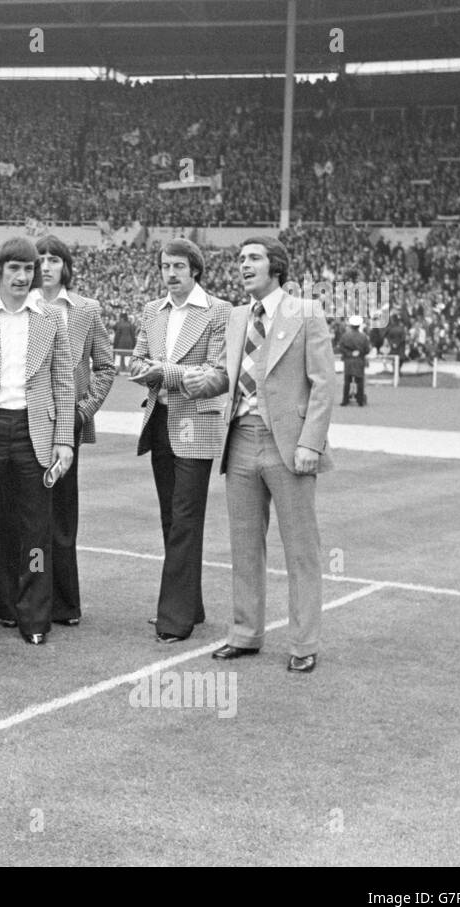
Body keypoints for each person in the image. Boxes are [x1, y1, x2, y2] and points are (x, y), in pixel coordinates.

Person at [183, 236, 334, 674]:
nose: (243, 265)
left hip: (288, 445)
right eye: (240, 258)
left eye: (253, 258)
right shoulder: (235, 317)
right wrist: (196, 382)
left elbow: (323, 384)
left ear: (276, 266)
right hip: (240, 440)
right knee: (244, 545)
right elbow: (227, 376)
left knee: (300, 548)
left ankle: (304, 643)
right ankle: (246, 634)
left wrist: (311, 442)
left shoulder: (306, 313)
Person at [0, 238, 75, 646]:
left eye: (29, 270)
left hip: (33, 432)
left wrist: (64, 442)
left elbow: (63, 381)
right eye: (15, 270)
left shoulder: (51, 319)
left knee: (35, 533)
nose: (23, 277)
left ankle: (34, 619)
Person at [0, 235, 114, 627]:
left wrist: (81, 412)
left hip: (64, 426)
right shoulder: (16, 306)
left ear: (66, 266)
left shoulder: (84, 309)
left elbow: (106, 365)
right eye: (39, 260)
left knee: (60, 520)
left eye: (53, 260)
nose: (45, 267)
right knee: (15, 518)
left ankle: (63, 603)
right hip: (20, 423)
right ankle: (11, 602)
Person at [130, 238, 230, 644]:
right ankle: (192, 604)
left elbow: (218, 372)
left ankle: (174, 619)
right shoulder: (152, 311)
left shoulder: (219, 312)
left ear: (195, 270)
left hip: (197, 425)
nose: (170, 274)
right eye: (165, 266)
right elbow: (136, 363)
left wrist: (165, 372)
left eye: (178, 267)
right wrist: (154, 371)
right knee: (171, 519)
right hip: (160, 421)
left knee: (186, 518)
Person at [338, 315, 371, 407]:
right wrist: (359, 353)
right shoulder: (363, 337)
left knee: (347, 382)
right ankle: (360, 400)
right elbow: (367, 349)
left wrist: (349, 353)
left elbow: (341, 347)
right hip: (359, 360)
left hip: (348, 361)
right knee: (360, 381)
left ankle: (345, 400)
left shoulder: (345, 336)